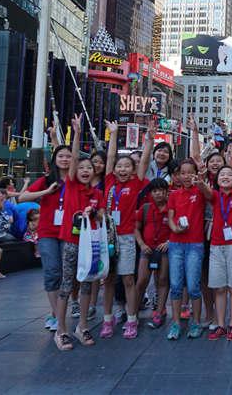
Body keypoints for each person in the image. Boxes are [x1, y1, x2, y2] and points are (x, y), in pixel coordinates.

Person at [100, 119, 153, 340]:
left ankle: (132, 320)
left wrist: (149, 139)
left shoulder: (136, 183)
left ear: (132, 170)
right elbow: (110, 158)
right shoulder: (110, 180)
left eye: (126, 166)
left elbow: (145, 161)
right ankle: (107, 319)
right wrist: (112, 134)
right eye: (120, 166)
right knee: (109, 280)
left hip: (128, 237)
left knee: (128, 279)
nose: (122, 169)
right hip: (107, 236)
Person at [53, 115, 103, 350]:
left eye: (89, 168)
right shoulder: (71, 184)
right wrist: (77, 133)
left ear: (94, 172)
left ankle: (82, 326)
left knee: (86, 283)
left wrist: (93, 212)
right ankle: (60, 330)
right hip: (70, 242)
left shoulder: (97, 194)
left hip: (89, 243)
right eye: (81, 167)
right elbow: (72, 160)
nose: (84, 170)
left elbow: (102, 217)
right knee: (66, 284)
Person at [18, 144, 72, 331]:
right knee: (52, 272)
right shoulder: (46, 180)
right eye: (61, 156)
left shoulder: (75, 180)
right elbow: (22, 197)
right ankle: (56, 314)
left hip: (69, 232)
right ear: (55, 160)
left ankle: (60, 312)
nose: (65, 159)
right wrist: (45, 193)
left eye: (68, 156)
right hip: (48, 233)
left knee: (66, 273)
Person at [165, 160, 213, 340]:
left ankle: (195, 322)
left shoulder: (199, 192)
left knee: (193, 287)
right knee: (176, 286)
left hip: (195, 244)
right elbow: (170, 218)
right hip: (176, 244)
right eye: (182, 173)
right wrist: (175, 228)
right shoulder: (174, 195)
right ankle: (176, 323)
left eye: (189, 173)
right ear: (177, 176)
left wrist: (201, 181)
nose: (185, 176)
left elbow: (210, 194)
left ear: (195, 174)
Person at [207, 166, 232, 341]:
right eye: (222, 174)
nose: (225, 177)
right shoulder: (215, 196)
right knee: (219, 288)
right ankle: (221, 325)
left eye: (229, 174)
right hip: (216, 246)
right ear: (216, 180)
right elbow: (205, 191)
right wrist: (200, 181)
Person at [134, 178, 171, 330]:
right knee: (142, 280)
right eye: (155, 191)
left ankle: (159, 311)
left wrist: (169, 242)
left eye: (162, 191)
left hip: (164, 250)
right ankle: (133, 313)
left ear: (166, 192)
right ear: (151, 193)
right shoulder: (145, 208)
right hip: (147, 250)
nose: (158, 194)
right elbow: (136, 228)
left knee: (162, 280)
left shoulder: (171, 208)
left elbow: (178, 227)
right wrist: (142, 244)